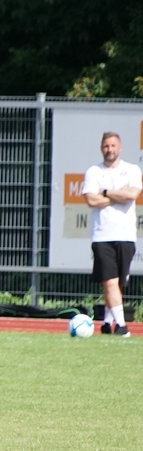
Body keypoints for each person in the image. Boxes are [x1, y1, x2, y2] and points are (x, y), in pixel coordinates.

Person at [82, 132, 141, 337]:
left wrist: (105, 192)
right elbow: (91, 200)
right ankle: (122, 327)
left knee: (119, 283)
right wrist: (118, 195)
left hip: (126, 235)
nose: (110, 150)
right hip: (102, 236)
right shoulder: (93, 172)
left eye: (113, 146)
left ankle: (107, 322)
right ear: (101, 148)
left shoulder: (132, 170)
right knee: (109, 281)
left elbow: (132, 195)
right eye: (106, 146)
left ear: (120, 147)